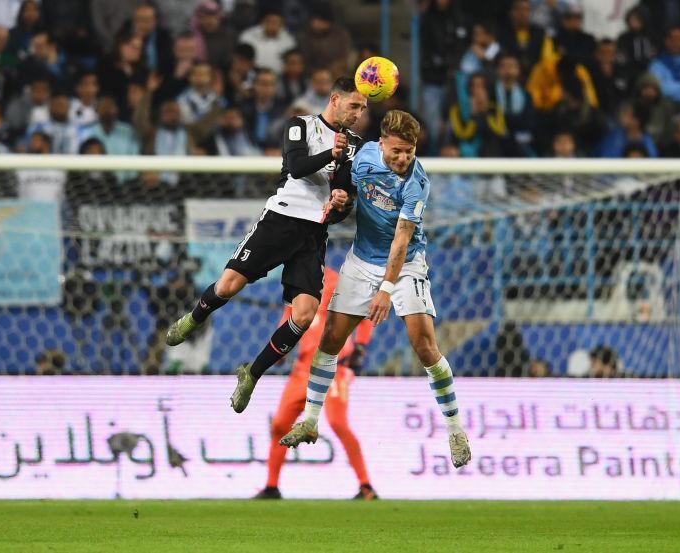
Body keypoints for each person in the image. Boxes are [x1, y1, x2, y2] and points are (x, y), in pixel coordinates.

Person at [278, 110, 472, 469]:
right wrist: (341, 201)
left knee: (424, 345)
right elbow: (346, 194)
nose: (403, 159)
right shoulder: (363, 155)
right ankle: (309, 420)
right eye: (397, 151)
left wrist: (386, 288)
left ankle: (455, 428)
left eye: (410, 152)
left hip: (406, 263)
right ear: (382, 143)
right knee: (330, 341)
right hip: (361, 260)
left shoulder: (417, 182)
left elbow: (402, 239)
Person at [165, 77, 366, 413]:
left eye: (363, 108)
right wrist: (331, 153)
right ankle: (193, 319)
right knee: (228, 286)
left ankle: (252, 373)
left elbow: (342, 201)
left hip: (313, 233)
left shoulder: (356, 146)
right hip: (281, 219)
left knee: (303, 315)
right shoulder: (300, 125)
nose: (359, 113)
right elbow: (298, 167)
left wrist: (343, 202)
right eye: (354, 105)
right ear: (335, 99)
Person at [255, 268, 377, 500]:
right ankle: (271, 487)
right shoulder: (295, 283)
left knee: (338, 423)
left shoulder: (338, 282)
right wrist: (278, 353)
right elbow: (288, 321)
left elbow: (365, 312)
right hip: (302, 370)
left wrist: (360, 346)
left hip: (332, 368)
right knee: (280, 425)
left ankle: (366, 486)